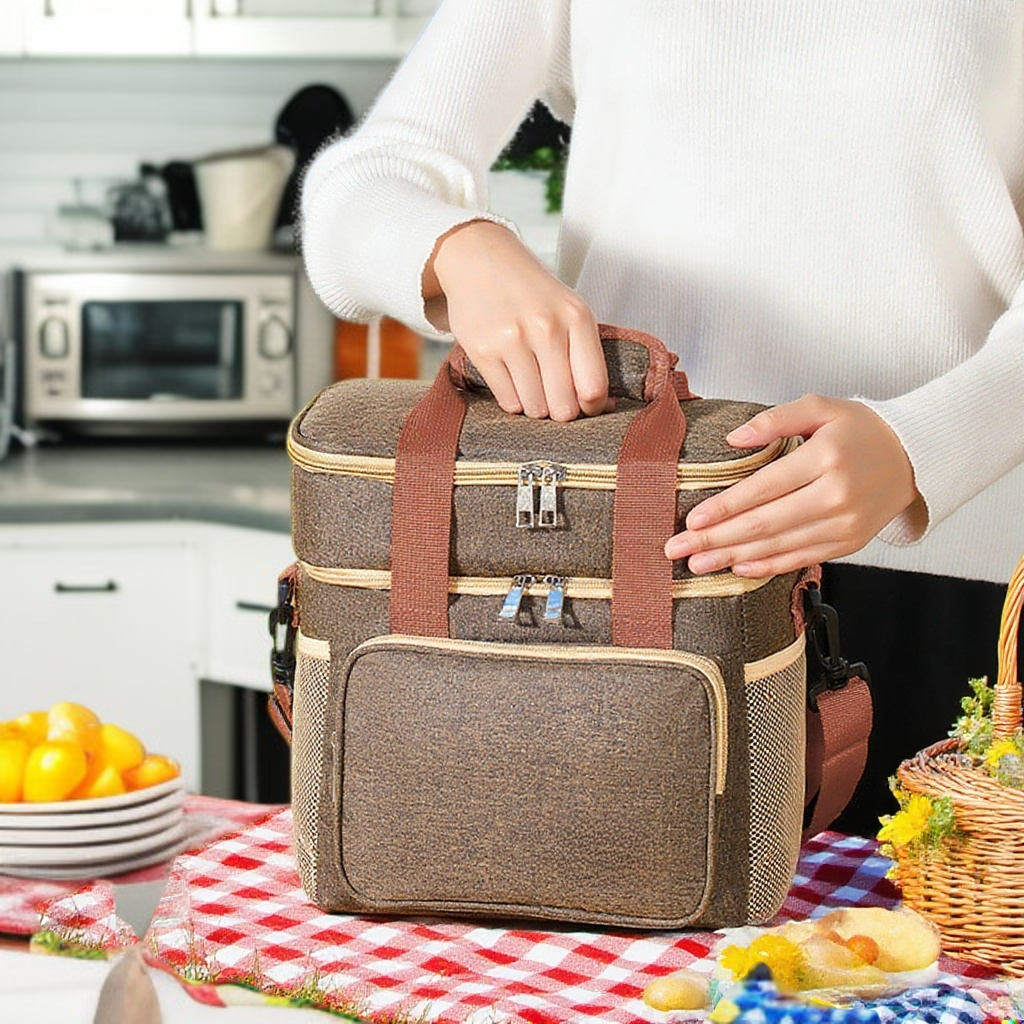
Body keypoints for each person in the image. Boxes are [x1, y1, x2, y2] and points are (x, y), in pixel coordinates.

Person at [299, 1, 1024, 837]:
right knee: (589, 954)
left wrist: (921, 446)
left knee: (933, 957)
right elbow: (361, 183)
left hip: (948, 582)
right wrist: (458, 246)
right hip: (639, 571)